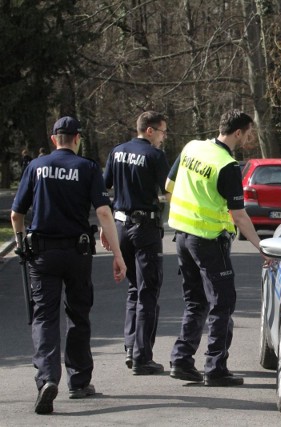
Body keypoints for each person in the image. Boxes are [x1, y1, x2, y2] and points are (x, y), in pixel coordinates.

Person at [10, 116, 126, 415]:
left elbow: (16, 214)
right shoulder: (87, 167)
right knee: (78, 315)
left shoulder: (35, 167)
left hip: (42, 255)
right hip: (77, 253)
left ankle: (48, 379)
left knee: (44, 318)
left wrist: (20, 242)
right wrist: (117, 254)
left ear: (53, 139)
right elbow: (102, 211)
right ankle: (78, 381)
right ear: (77, 139)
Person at [166, 109, 268, 386]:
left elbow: (169, 185)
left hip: (182, 237)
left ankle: (181, 360)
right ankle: (215, 368)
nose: (250, 137)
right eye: (248, 132)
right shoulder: (227, 165)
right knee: (222, 304)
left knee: (195, 301)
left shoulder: (192, 147)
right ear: (238, 132)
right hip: (209, 241)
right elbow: (239, 215)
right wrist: (262, 248)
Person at [102, 111, 170, 375]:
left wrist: (106, 225)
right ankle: (143, 356)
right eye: (163, 132)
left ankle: (131, 347)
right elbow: (167, 190)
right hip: (145, 227)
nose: (163, 138)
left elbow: (104, 187)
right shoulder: (154, 155)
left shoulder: (117, 151)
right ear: (150, 130)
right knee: (148, 291)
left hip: (120, 224)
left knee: (133, 288)